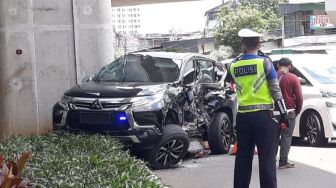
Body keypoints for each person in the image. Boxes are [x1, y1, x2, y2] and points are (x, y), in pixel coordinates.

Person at [225, 29, 288, 188]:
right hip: (263, 117)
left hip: (243, 117)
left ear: (243, 44)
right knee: (266, 159)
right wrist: (284, 113)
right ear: (259, 43)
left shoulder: (233, 65)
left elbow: (228, 85)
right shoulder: (264, 62)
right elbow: (275, 89)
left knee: (243, 159)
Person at [275, 57, 303, 169]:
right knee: (286, 136)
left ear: (277, 65)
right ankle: (283, 162)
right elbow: (299, 97)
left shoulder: (271, 77)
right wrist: (298, 110)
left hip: (273, 111)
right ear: (290, 66)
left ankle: (269, 161)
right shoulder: (293, 78)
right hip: (289, 111)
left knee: (273, 137)